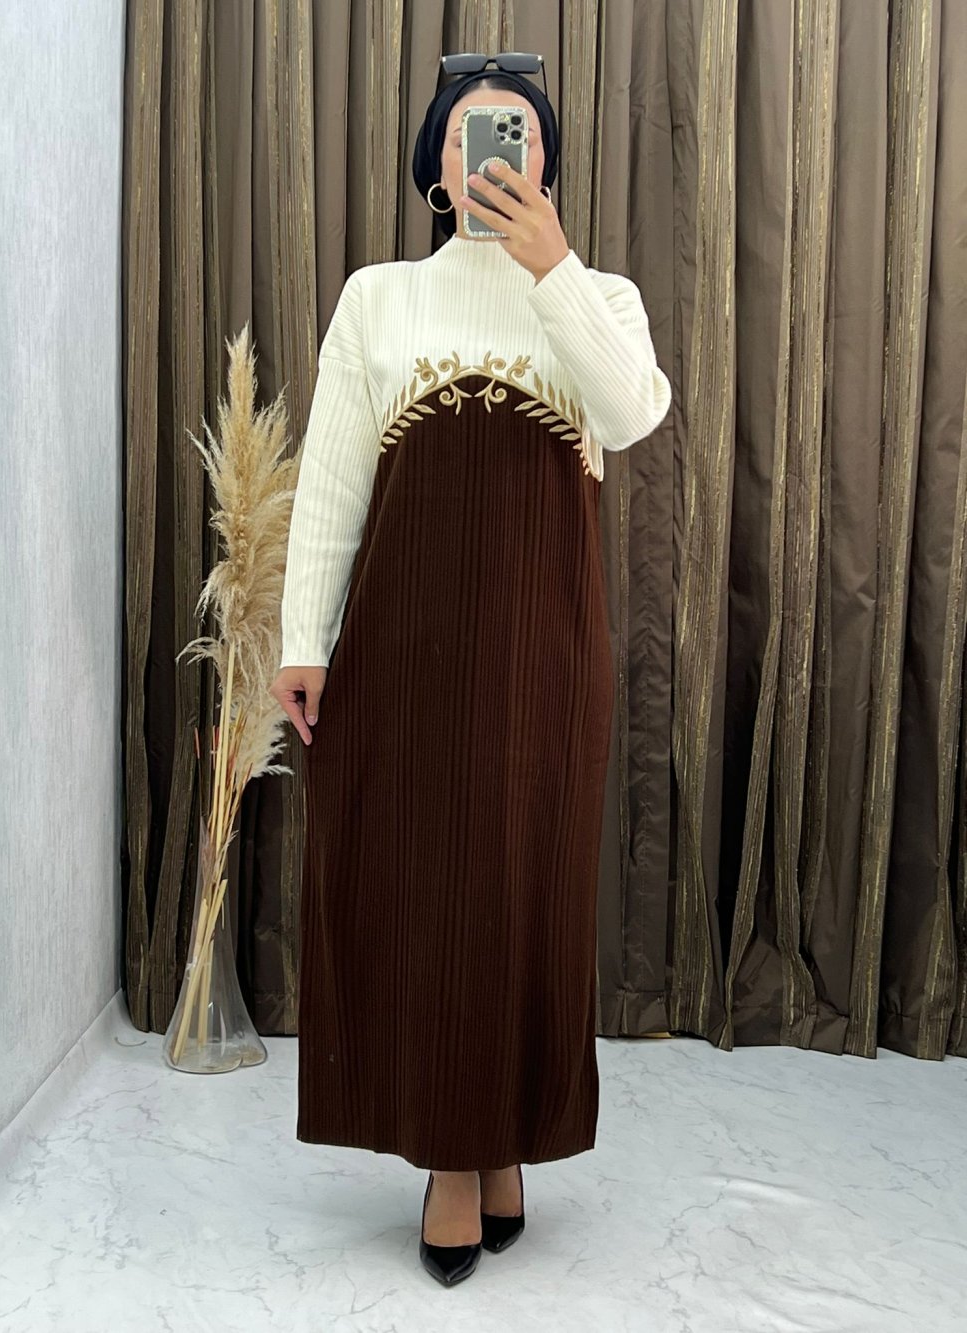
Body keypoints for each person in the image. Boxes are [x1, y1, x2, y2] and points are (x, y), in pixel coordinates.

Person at [270, 54, 671, 1287]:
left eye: (516, 134)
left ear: (544, 163)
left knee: (524, 891)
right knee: (431, 889)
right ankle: (456, 1154)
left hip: (548, 651)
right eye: (468, 133)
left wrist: (554, 270)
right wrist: (302, 638)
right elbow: (333, 474)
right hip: (405, 651)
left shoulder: (599, 294)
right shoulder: (379, 298)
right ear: (437, 171)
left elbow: (632, 414)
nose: (494, 150)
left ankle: (503, 1140)